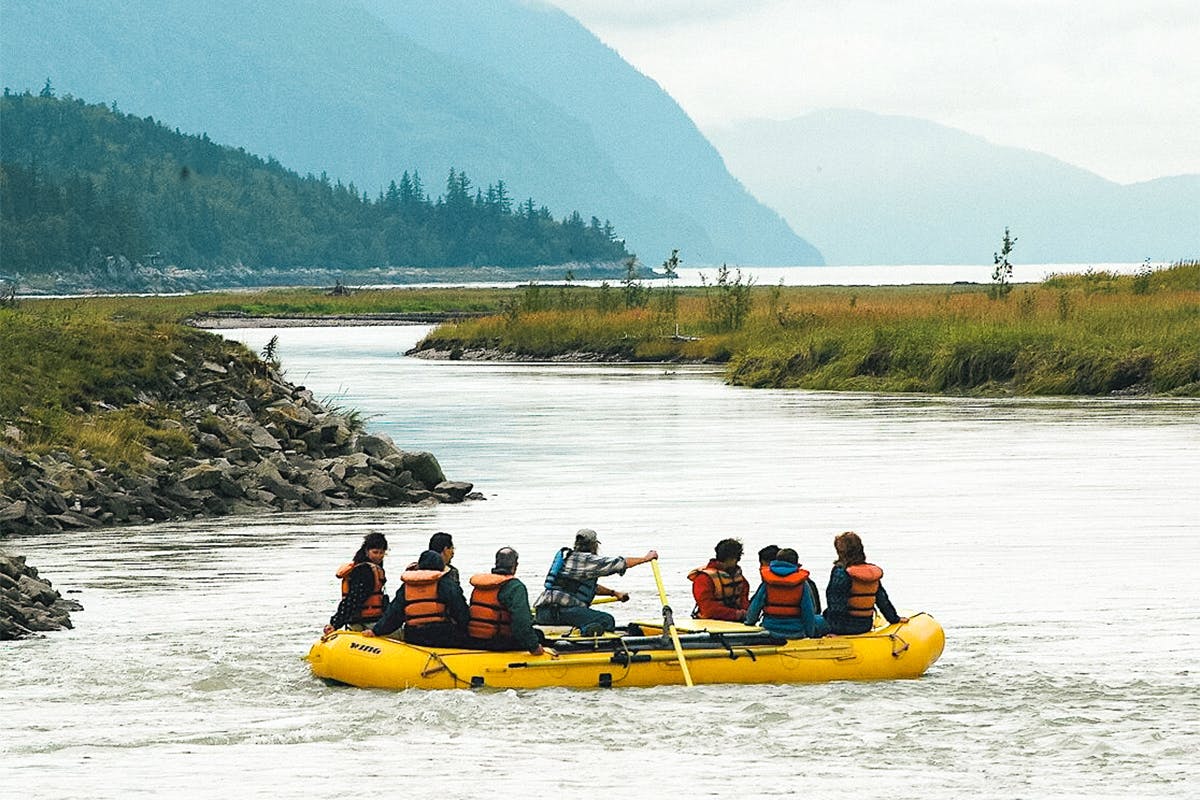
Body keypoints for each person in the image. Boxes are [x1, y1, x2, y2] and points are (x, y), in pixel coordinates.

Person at [533, 528, 658, 636]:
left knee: (588, 616)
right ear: (594, 545)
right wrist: (645, 559)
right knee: (606, 620)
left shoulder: (567, 558)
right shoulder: (586, 560)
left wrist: (614, 593)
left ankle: (585, 630)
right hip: (562, 613)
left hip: (542, 613)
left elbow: (587, 587)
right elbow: (619, 563)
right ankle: (586, 634)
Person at [364, 550, 469, 647]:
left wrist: (376, 631)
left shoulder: (406, 587)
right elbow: (461, 612)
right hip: (442, 636)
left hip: (414, 636)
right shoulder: (446, 584)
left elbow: (394, 614)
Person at [824, 531, 907, 635]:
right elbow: (882, 600)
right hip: (865, 625)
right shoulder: (870, 573)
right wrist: (894, 619)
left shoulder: (841, 573)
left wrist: (834, 631)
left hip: (843, 627)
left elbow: (837, 604)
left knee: (817, 620)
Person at [467, 547, 544, 655]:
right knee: (539, 635)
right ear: (515, 565)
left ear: (496, 563)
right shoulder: (515, 587)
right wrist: (534, 647)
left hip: (474, 638)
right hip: (499, 642)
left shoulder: (481, 585)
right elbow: (521, 624)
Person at [745, 547, 826, 639]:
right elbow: (808, 611)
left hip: (770, 630)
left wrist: (749, 622)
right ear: (796, 563)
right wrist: (810, 633)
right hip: (796, 632)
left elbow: (755, 607)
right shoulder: (803, 584)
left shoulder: (767, 583)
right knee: (821, 620)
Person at [324, 532, 388, 633]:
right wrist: (335, 624)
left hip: (371, 620)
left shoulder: (371, 568)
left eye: (382, 552)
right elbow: (353, 599)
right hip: (365, 623)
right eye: (375, 552)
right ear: (367, 551)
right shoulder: (364, 571)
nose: (379, 556)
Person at [687, 538, 750, 621]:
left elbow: (743, 602)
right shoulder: (704, 579)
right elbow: (707, 609)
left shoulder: (740, 579)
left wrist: (748, 613)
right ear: (732, 558)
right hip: (710, 623)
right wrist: (736, 614)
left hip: (737, 622)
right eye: (737, 558)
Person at [760, 542, 822, 615]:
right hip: (798, 623)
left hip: (771, 622)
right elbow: (814, 610)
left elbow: (755, 606)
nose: (760, 568)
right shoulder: (804, 582)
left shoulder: (767, 584)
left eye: (762, 564)